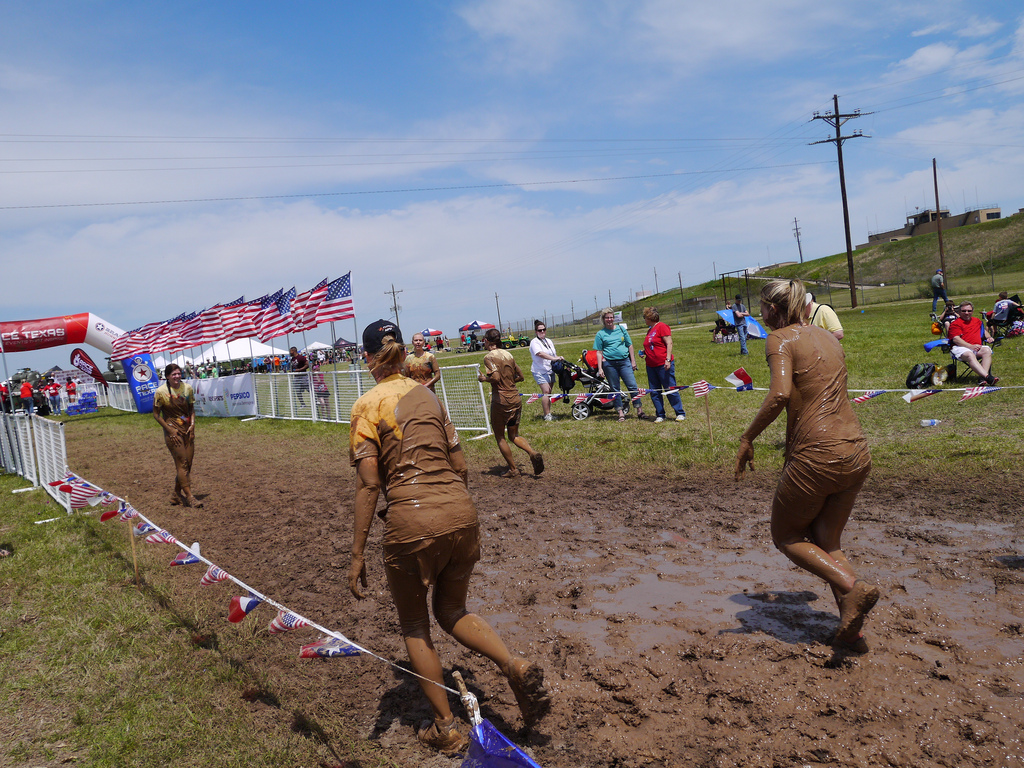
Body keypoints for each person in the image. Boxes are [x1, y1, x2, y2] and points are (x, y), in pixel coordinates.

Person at [348, 320, 550, 754]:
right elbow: (459, 465)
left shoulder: (368, 406)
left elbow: (368, 484)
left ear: (367, 359)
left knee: (416, 625)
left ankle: (446, 728)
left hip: (410, 520)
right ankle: (513, 664)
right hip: (461, 513)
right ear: (404, 354)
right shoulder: (431, 399)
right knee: (453, 608)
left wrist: (357, 552)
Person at [735, 278, 878, 653]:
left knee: (787, 536)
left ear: (774, 309)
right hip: (856, 451)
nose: (760, 313)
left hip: (817, 455)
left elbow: (780, 393)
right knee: (828, 540)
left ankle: (852, 588)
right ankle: (852, 631)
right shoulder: (828, 337)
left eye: (762, 307)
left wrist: (748, 438)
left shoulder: (778, 339)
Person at [478, 328, 544, 478]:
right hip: (515, 397)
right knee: (514, 435)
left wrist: (484, 379)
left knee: (500, 436)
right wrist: (508, 382)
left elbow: (494, 377)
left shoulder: (489, 357)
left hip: (501, 400)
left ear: (487, 341)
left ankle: (513, 469)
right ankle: (532, 452)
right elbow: (520, 376)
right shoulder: (508, 354)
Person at [152, 364, 203, 508]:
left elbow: (191, 409)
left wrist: (192, 425)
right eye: (173, 374)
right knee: (182, 464)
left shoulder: (188, 389)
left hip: (188, 430)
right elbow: (156, 415)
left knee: (188, 464)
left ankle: (175, 494)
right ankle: (190, 497)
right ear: (167, 376)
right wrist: (169, 430)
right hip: (173, 432)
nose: (177, 376)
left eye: (179, 373)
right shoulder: (160, 392)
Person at [594, 308, 644, 421]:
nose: (609, 319)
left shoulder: (621, 329)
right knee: (615, 388)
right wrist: (600, 368)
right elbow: (599, 352)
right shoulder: (600, 334)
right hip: (610, 364)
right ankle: (620, 412)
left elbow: (629, 345)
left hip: (624, 362)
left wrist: (633, 361)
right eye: (607, 317)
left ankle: (639, 410)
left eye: (611, 317)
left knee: (632, 386)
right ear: (603, 319)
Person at [641, 308, 685, 422]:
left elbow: (669, 343)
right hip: (651, 365)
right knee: (654, 391)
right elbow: (652, 345)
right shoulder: (650, 330)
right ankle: (660, 414)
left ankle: (679, 412)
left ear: (650, 318)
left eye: (645, 317)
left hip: (663, 364)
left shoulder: (662, 327)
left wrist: (668, 359)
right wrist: (644, 352)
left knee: (670, 388)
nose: (644, 320)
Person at [947, 301, 998, 385]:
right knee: (970, 354)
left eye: (969, 311)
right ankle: (987, 377)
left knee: (987, 351)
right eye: (964, 311)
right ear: (959, 312)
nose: (967, 313)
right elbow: (956, 340)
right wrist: (970, 346)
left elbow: (983, 331)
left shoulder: (977, 321)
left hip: (976, 347)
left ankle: (982, 378)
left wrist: (989, 337)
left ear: (972, 311)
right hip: (960, 348)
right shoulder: (955, 324)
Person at [528, 319, 564, 422]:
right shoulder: (534, 342)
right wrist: (553, 359)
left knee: (549, 392)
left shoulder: (549, 341)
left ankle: (548, 413)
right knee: (546, 391)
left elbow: (553, 354)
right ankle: (547, 415)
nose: (542, 332)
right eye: (540, 330)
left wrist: (558, 358)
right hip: (539, 370)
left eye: (544, 330)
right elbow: (540, 353)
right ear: (536, 332)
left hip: (550, 369)